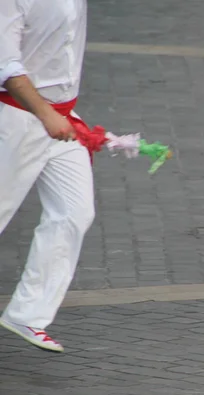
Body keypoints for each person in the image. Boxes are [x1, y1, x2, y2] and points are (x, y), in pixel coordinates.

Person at [0, 0, 95, 353]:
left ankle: (27, 314)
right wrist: (44, 114)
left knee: (74, 212)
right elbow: (6, 66)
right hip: (17, 120)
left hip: (62, 118)